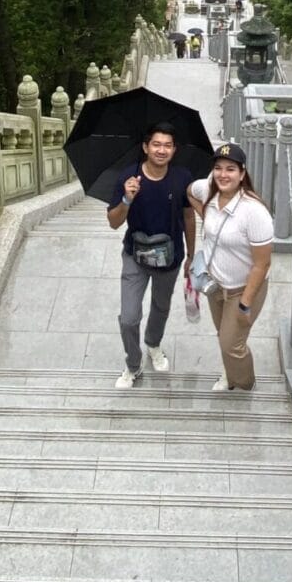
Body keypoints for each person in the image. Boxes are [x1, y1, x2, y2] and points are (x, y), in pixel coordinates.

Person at [105, 122, 196, 390]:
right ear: (145, 147)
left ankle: (153, 344)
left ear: (174, 149)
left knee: (161, 306)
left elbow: (189, 217)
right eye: (156, 144)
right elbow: (112, 222)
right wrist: (126, 199)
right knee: (129, 317)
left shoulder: (182, 177)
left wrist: (191, 255)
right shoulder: (128, 177)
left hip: (170, 257)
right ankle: (133, 364)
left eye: (167, 145)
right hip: (135, 255)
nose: (161, 150)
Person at [188, 142, 274, 391]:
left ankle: (244, 382)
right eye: (218, 168)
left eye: (230, 169)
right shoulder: (209, 192)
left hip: (243, 289)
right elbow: (189, 192)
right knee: (224, 334)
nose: (223, 175)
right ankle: (230, 374)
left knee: (231, 344)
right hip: (215, 285)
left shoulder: (254, 212)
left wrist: (246, 304)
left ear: (242, 174)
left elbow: (262, 263)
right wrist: (205, 212)